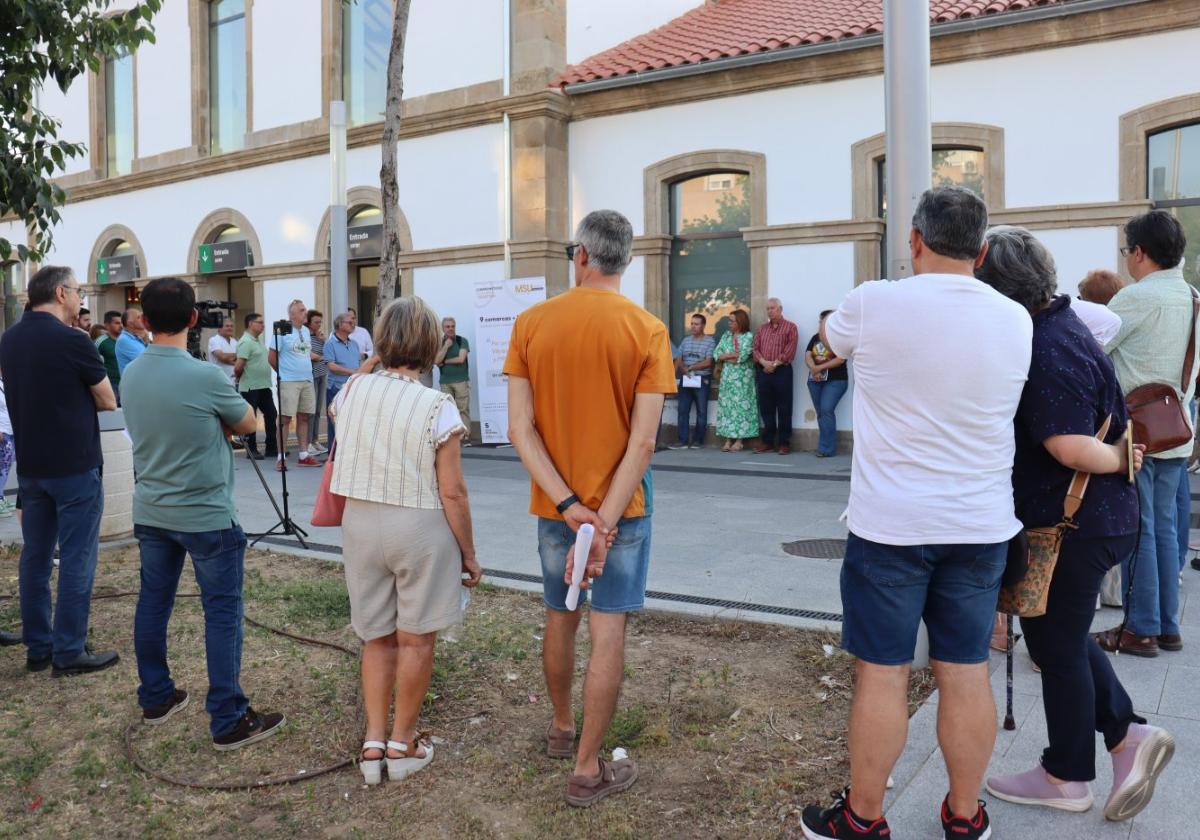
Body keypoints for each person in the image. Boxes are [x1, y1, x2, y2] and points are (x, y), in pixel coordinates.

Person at [800, 187, 1032, 840]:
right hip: (981, 525)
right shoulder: (1014, 318)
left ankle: (864, 819)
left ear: (913, 241)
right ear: (982, 252)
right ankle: (965, 817)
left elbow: (827, 345)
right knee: (964, 671)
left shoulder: (873, 303)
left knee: (882, 673)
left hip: (891, 528)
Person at [974, 226, 1171, 822]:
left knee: (1056, 645)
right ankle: (1124, 736)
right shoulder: (1065, 325)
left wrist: (1113, 457)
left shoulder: (1045, 342)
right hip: (1096, 518)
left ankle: (1066, 774)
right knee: (1059, 637)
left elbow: (1066, 443)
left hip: (1076, 520)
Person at [505, 209, 676, 807]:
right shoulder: (648, 329)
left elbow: (520, 429)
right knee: (608, 634)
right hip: (622, 512)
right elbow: (645, 440)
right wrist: (603, 517)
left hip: (557, 509)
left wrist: (570, 504)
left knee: (560, 613)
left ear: (580, 255)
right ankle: (586, 768)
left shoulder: (531, 322)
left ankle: (560, 727)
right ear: (626, 260)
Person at [122, 277, 285, 749]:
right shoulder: (205, 376)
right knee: (222, 611)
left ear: (145, 322)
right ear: (194, 319)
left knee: (153, 603)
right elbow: (250, 422)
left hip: (151, 509)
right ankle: (229, 718)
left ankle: (156, 696)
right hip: (206, 515)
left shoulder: (131, 373)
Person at [329, 296, 481, 785]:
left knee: (376, 638)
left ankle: (373, 743)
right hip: (418, 524)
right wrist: (470, 555)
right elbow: (452, 491)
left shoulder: (350, 391)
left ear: (380, 340)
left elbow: (357, 392)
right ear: (433, 344)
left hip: (359, 522)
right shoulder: (437, 406)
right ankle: (403, 742)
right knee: (416, 641)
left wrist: (371, 361)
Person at [0, 266, 118, 676]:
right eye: (79, 291)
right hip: (74, 465)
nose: (82, 298)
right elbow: (107, 400)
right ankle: (68, 651)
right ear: (61, 293)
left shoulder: (9, 339)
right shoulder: (73, 340)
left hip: (31, 467)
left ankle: (39, 647)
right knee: (76, 558)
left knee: (35, 557)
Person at [1097, 210, 1196, 657]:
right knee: (1166, 527)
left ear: (1139, 252)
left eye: (1127, 251)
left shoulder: (1135, 299)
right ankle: (1167, 626)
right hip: (1177, 430)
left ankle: (1140, 628)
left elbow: (1090, 348)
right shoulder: (1193, 298)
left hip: (1137, 434)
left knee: (1141, 530)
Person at [267, 299, 322, 471]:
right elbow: (271, 357)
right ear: (292, 314)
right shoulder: (281, 331)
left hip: (307, 379)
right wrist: (283, 374)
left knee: (304, 417)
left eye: (305, 309)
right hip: (289, 380)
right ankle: (281, 457)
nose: (306, 312)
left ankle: (304, 455)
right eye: (302, 310)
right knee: (284, 419)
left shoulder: (305, 331)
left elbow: (304, 353)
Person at [752, 298, 799, 454]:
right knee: (766, 407)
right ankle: (768, 441)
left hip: (782, 371)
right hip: (764, 371)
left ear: (780, 309)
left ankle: (784, 442)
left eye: (772, 308)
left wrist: (774, 364)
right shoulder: (761, 329)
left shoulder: (791, 327)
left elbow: (790, 350)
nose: (770, 311)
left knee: (784, 407)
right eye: (768, 309)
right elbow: (755, 349)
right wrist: (764, 363)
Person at [712, 309, 758, 452]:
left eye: (732, 321)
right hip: (727, 379)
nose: (729, 323)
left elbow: (742, 356)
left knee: (741, 407)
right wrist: (729, 356)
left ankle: (739, 440)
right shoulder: (726, 335)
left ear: (740, 322)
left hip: (743, 379)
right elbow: (716, 354)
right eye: (729, 320)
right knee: (727, 408)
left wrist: (729, 356)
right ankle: (728, 439)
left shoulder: (748, 336)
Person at [804, 310, 848, 458]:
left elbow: (840, 359)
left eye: (824, 321)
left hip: (836, 381)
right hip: (815, 381)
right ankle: (824, 446)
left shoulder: (840, 338)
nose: (820, 324)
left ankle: (827, 449)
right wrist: (813, 368)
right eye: (820, 321)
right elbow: (808, 354)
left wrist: (819, 368)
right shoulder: (815, 338)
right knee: (822, 413)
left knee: (826, 409)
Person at [668, 314, 716, 450]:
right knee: (683, 411)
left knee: (701, 412)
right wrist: (683, 369)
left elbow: (709, 361)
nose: (693, 326)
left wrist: (691, 367)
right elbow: (678, 357)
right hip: (686, 379)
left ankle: (697, 441)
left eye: (696, 324)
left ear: (703, 326)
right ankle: (682, 441)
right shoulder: (686, 340)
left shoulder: (710, 341)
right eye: (692, 323)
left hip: (701, 379)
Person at [234, 312, 277, 461]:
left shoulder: (257, 340)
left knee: (271, 414)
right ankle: (251, 449)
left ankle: (271, 447)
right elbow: (238, 366)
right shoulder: (245, 342)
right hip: (251, 387)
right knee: (250, 418)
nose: (263, 325)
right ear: (251, 324)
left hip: (263, 385)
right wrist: (239, 377)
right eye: (260, 322)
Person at [323, 312, 360, 446]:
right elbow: (331, 365)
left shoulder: (354, 344)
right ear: (340, 325)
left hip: (353, 387)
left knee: (352, 420)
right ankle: (333, 455)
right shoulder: (330, 344)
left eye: (354, 322)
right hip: (336, 388)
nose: (353, 324)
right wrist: (351, 372)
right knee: (335, 420)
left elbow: (357, 364)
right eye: (350, 322)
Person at [435, 317, 472, 445]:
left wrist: (445, 361)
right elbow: (436, 361)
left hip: (461, 380)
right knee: (448, 410)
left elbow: (461, 359)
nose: (450, 328)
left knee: (463, 408)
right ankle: (451, 436)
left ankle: (465, 436)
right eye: (447, 326)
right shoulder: (439, 343)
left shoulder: (462, 341)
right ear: (443, 328)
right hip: (445, 381)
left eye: (452, 326)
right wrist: (445, 346)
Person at [306, 310, 328, 455]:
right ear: (308, 323)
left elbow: (327, 353)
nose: (319, 325)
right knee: (311, 411)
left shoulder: (319, 337)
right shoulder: (305, 336)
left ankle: (315, 440)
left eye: (320, 322)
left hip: (322, 374)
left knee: (318, 410)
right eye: (316, 322)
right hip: (311, 375)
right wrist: (321, 357)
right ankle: (307, 443)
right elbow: (310, 355)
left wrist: (323, 341)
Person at [96, 311, 123, 402]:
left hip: (125, 383)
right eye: (117, 323)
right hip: (111, 384)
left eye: (122, 322)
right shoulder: (100, 341)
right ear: (107, 325)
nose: (121, 326)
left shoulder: (126, 340)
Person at [115, 308, 149, 375]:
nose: (143, 319)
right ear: (130, 323)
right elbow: (148, 361)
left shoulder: (136, 338)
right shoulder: (124, 340)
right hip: (133, 384)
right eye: (139, 317)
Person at [207, 317, 238, 388]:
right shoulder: (214, 340)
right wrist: (237, 356)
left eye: (231, 326)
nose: (230, 328)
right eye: (227, 326)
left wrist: (231, 358)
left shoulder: (235, 342)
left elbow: (240, 359)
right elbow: (222, 356)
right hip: (219, 382)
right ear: (219, 328)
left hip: (234, 382)